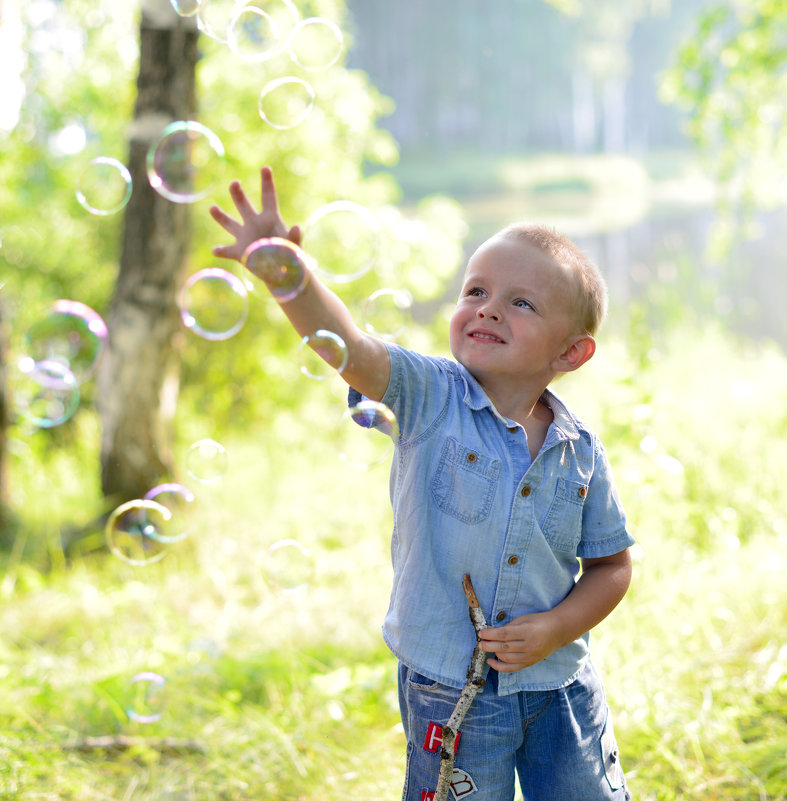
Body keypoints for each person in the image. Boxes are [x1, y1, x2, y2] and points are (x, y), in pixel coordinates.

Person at [210, 166, 635, 801]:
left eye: (520, 302)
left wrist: (555, 628)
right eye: (475, 290)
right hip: (450, 689)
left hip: (561, 686)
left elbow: (612, 567)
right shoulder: (430, 395)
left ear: (571, 353)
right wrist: (287, 276)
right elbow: (346, 345)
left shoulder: (580, 452)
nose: (487, 308)